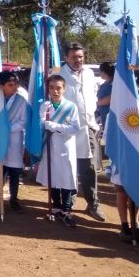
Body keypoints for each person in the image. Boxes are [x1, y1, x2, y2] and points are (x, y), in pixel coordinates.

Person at [60, 42, 105, 221]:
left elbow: (93, 95)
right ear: (66, 58)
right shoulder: (59, 75)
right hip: (68, 129)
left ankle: (92, 203)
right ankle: (67, 204)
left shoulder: (88, 73)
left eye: (81, 57)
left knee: (90, 168)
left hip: (88, 127)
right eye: (74, 57)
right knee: (69, 167)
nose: (78, 60)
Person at [36, 74, 80, 227]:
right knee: (53, 175)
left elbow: (75, 128)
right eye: (52, 88)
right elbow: (41, 123)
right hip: (50, 144)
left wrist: (54, 126)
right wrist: (46, 124)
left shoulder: (71, 107)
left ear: (64, 89)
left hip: (66, 145)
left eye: (58, 88)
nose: (55, 91)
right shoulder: (45, 106)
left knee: (66, 175)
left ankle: (67, 209)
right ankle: (56, 206)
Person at [0, 71, 28, 211]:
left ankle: (14, 199)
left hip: (14, 141)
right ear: (1, 85)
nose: (14, 87)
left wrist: (7, 129)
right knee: (0, 170)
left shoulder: (21, 100)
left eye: (16, 84)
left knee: (14, 172)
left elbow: (23, 121)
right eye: (10, 85)